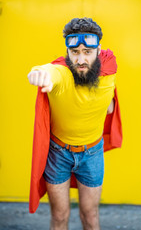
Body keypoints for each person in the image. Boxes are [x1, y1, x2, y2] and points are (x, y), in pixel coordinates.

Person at [27, 17, 122, 230]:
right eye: (75, 52)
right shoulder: (62, 74)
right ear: (67, 52)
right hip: (58, 153)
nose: (80, 60)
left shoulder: (109, 73)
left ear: (98, 50)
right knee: (59, 217)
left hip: (92, 154)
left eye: (87, 52)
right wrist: (39, 74)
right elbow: (50, 71)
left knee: (90, 217)